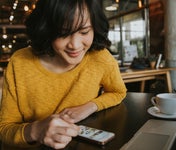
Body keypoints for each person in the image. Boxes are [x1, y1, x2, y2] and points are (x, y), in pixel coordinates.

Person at [0, 0, 127, 149]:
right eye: (63, 33)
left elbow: (118, 91)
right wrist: (36, 130)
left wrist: (90, 106)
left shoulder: (100, 58)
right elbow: (4, 130)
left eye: (84, 32)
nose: (75, 45)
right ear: (46, 30)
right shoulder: (20, 62)